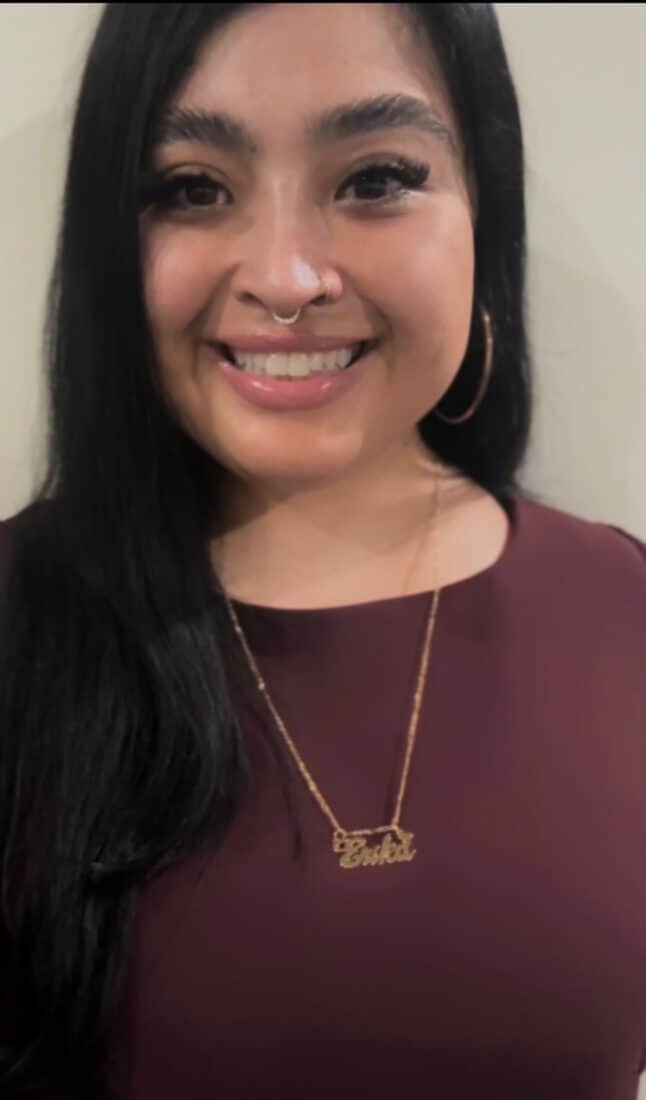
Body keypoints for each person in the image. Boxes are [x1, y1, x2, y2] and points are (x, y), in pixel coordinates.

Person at [0, 3, 645, 1098]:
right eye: (193, 188)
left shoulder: (622, 607)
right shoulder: (21, 620)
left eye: (376, 177)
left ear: (484, 207)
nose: (288, 278)